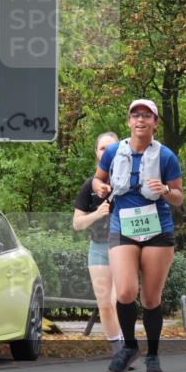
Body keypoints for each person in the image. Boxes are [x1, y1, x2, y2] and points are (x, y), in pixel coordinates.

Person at [92, 100, 183, 372]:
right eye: (135, 115)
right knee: (126, 292)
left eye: (146, 115)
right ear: (129, 122)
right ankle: (130, 346)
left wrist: (166, 189)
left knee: (151, 298)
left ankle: (153, 355)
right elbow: (97, 180)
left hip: (157, 228)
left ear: (155, 122)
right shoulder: (113, 152)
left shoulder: (166, 156)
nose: (140, 120)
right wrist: (102, 187)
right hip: (123, 226)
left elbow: (179, 197)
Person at [73, 132, 124, 354]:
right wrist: (98, 214)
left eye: (111, 148)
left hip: (124, 247)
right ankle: (118, 347)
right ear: (96, 153)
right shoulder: (89, 186)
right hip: (99, 248)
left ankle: (125, 347)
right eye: (102, 148)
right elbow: (77, 223)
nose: (106, 152)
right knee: (104, 304)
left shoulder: (129, 182)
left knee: (117, 302)